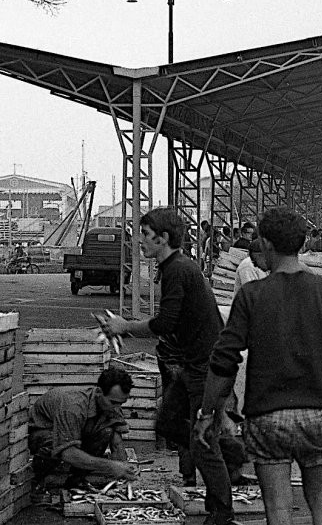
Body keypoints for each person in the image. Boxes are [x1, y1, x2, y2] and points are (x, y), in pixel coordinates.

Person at [194, 207, 322, 525]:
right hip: (319, 415)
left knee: (279, 507)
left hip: (267, 417)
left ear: (266, 244)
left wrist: (207, 413)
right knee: (321, 495)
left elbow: (223, 361)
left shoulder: (252, 295)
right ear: (302, 244)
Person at [105, 208, 238, 525]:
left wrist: (125, 326)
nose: (140, 241)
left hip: (207, 366)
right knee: (167, 424)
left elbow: (165, 322)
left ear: (163, 238)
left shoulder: (178, 269)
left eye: (145, 235)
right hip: (193, 363)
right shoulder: (175, 268)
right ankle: (229, 452)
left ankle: (222, 512)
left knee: (201, 441)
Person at [28, 368, 138, 498]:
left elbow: (117, 443)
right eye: (113, 402)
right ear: (99, 392)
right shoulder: (73, 407)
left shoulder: (112, 405)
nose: (117, 408)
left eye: (121, 403)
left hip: (74, 432)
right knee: (53, 444)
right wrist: (111, 466)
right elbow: (68, 453)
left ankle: (76, 481)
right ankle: (37, 481)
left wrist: (125, 469)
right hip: (43, 431)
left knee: (106, 432)